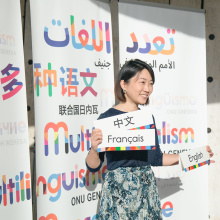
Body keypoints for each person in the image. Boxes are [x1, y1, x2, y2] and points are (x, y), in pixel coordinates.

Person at [86, 59, 214, 219]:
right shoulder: (106, 119)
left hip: (146, 192)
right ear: (124, 85)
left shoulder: (146, 118)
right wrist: (93, 148)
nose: (147, 89)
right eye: (142, 82)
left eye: (151, 83)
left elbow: (156, 158)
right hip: (117, 195)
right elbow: (93, 166)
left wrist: (198, 156)